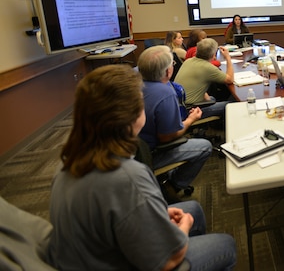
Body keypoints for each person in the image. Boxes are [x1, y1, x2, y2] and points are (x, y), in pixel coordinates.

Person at [47, 64, 236, 271]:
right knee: (225, 245)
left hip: (93, 255)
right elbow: (169, 259)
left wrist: (154, 215)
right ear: (133, 113)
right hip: (129, 263)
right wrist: (183, 228)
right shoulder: (129, 176)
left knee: (194, 209)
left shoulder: (69, 162)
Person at [137, 46, 213, 196]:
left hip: (131, 151)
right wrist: (191, 119)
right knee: (205, 147)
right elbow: (167, 137)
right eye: (172, 64)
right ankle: (173, 185)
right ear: (168, 71)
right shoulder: (165, 92)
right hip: (150, 154)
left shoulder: (133, 81)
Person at [175, 38, 233, 119]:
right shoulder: (207, 67)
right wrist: (228, 57)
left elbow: (196, 83)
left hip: (178, 106)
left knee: (212, 98)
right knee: (232, 105)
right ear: (213, 55)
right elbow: (230, 79)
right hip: (191, 110)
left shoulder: (188, 61)